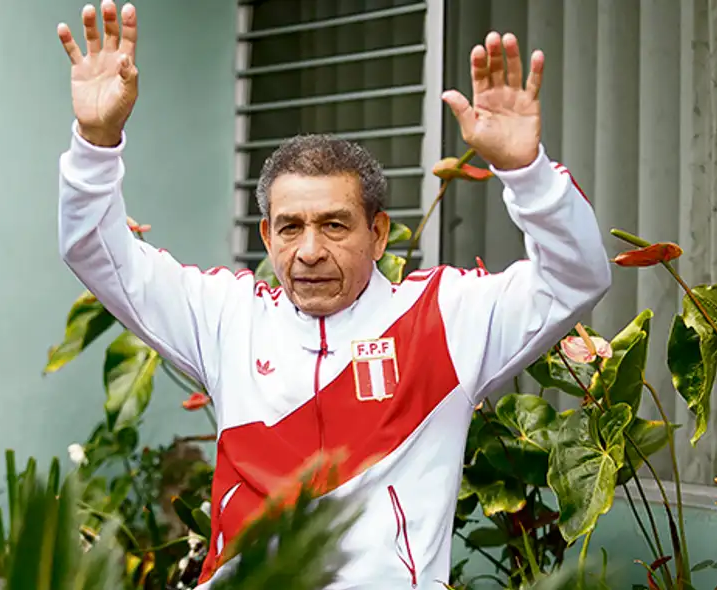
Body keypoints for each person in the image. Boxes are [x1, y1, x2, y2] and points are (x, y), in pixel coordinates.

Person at [55, 2, 612, 588]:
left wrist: (526, 172)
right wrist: (96, 140)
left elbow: (574, 277)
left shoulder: (444, 319)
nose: (310, 251)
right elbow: (95, 252)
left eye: (335, 225)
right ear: (267, 236)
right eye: (290, 228)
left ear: (378, 233)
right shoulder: (227, 317)